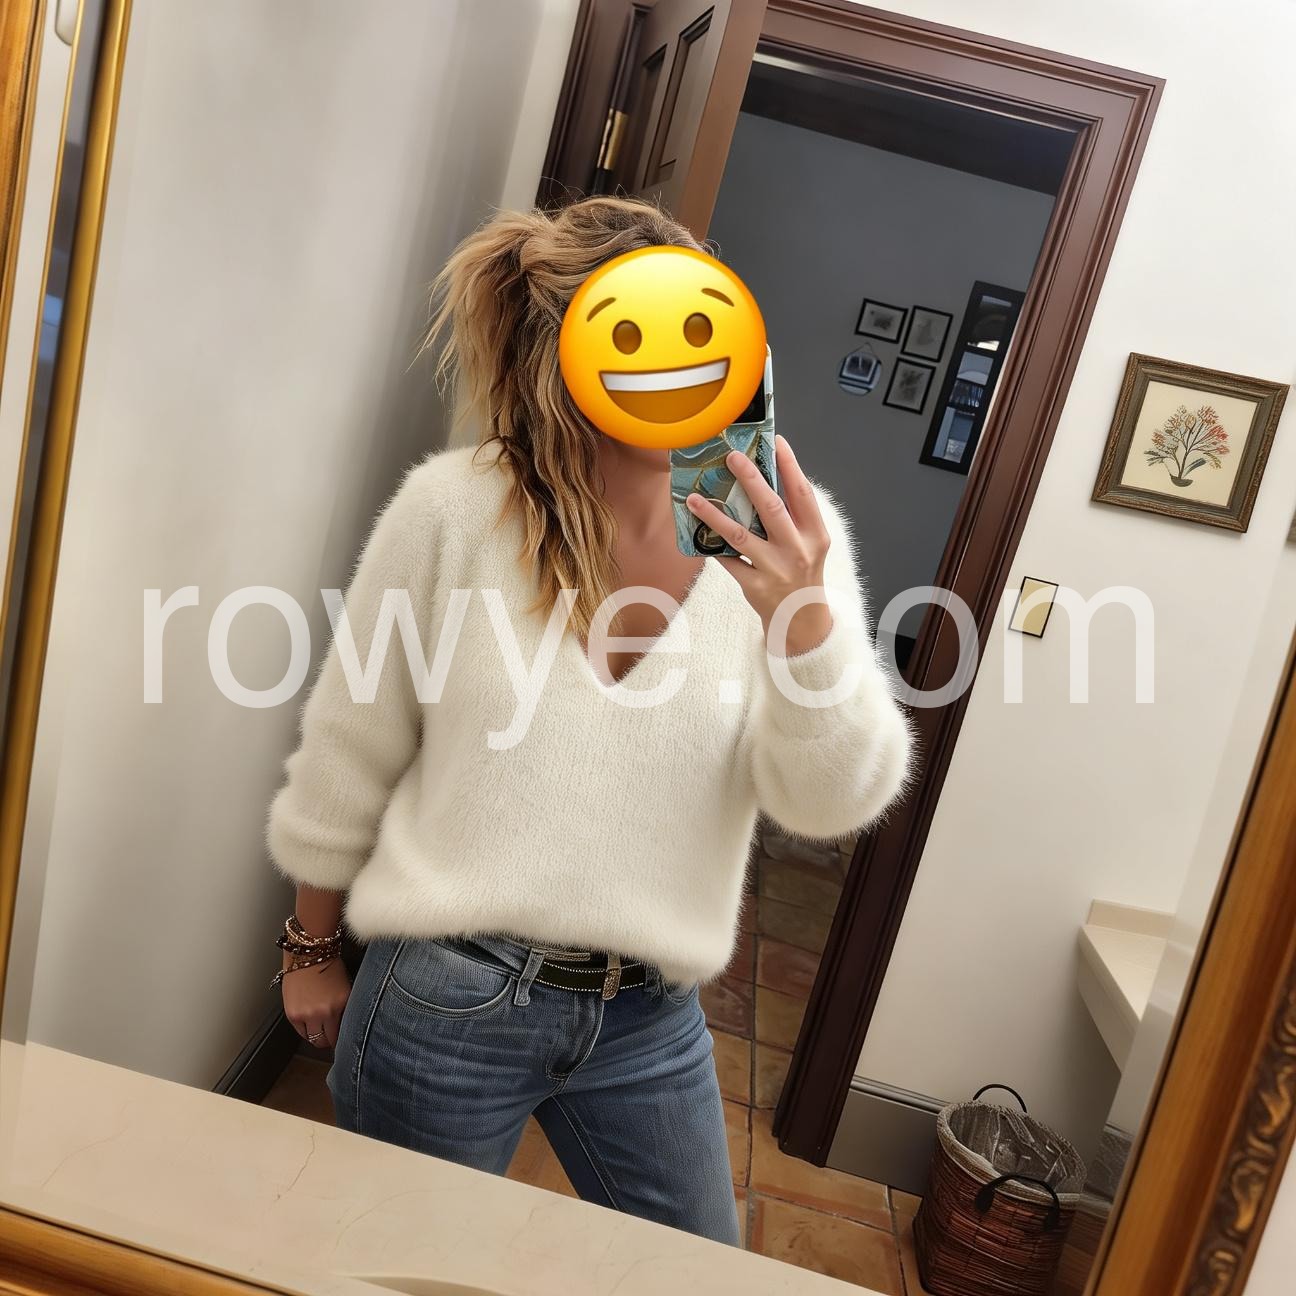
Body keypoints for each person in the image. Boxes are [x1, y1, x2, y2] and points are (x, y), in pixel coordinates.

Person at [265, 195, 912, 1248]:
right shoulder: (452, 511)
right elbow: (352, 740)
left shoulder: (790, 537)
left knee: (698, 1271)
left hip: (648, 1019)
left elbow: (830, 803)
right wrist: (309, 945)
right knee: (396, 1266)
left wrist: (802, 625)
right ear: (573, 358)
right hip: (446, 989)